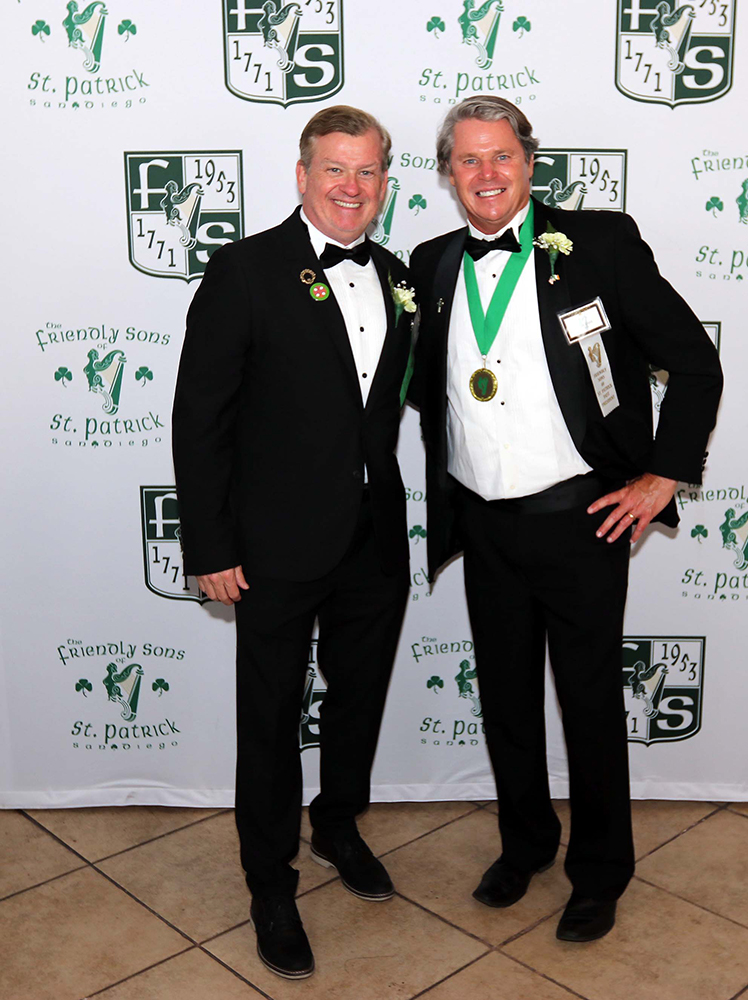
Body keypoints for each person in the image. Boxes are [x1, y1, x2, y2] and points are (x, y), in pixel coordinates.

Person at [409, 96, 722, 943]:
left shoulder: (599, 244)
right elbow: (424, 390)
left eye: (500, 156)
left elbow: (694, 364)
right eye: (468, 159)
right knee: (505, 701)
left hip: (582, 521)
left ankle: (599, 871)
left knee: (587, 704)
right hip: (483, 523)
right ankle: (524, 845)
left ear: (528, 161)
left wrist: (661, 475)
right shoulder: (431, 264)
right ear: (446, 173)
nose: (485, 173)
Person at [172, 106, 414, 980]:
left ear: (384, 182)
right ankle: (268, 881)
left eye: (368, 171)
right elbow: (200, 419)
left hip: (373, 537)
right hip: (272, 542)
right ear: (303, 175)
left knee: (358, 698)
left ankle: (337, 826)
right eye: (335, 169)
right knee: (271, 716)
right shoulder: (243, 270)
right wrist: (210, 545)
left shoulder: (397, 276)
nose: (352, 187)